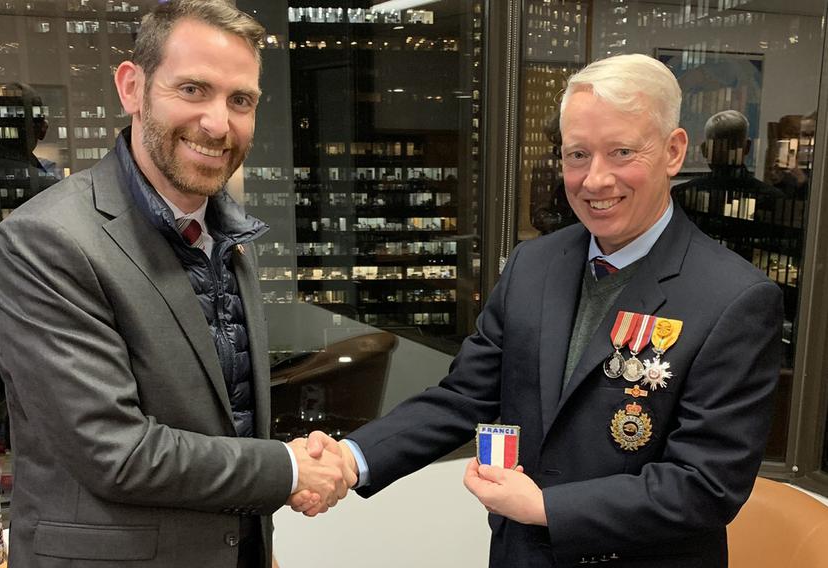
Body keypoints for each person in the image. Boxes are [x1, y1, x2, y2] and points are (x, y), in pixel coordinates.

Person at [300, 53, 783, 567]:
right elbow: (465, 396)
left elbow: (706, 485)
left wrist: (547, 507)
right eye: (577, 155)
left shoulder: (734, 299)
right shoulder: (536, 263)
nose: (595, 180)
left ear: (673, 150)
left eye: (621, 152)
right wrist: (351, 459)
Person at [0, 2, 351, 567]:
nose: (217, 123)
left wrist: (254, 546)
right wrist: (290, 468)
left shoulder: (226, 232)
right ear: (132, 88)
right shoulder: (45, 240)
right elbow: (116, 452)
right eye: (193, 90)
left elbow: (227, 417)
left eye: (240, 101)